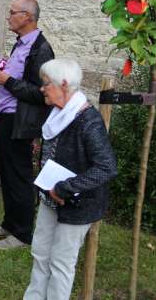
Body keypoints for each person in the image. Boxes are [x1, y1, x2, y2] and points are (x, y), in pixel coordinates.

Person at [24, 59, 117, 299]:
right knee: (41, 253)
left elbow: (106, 167)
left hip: (78, 204)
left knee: (61, 262)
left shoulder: (89, 121)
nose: (42, 88)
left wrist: (66, 187)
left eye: (46, 84)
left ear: (64, 85)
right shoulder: (58, 114)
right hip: (50, 198)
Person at [0, 0, 55, 250]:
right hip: (7, 118)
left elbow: (42, 93)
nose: (8, 16)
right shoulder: (21, 45)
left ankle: (23, 234)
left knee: (20, 176)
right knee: (7, 173)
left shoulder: (41, 49)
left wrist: (8, 81)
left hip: (21, 122)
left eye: (13, 12)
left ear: (27, 17)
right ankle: (9, 224)